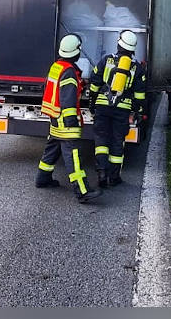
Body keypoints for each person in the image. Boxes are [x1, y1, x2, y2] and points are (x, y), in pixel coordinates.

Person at [37, 33, 101, 203]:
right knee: (73, 155)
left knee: (52, 148)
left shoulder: (57, 66)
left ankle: (43, 178)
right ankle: (82, 191)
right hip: (66, 120)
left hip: (54, 116)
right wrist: (71, 120)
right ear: (76, 51)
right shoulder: (69, 72)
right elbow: (68, 98)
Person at [87, 30, 146, 188]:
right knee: (117, 141)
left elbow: (94, 83)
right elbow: (140, 95)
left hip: (102, 106)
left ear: (119, 44)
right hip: (122, 109)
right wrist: (137, 111)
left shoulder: (107, 60)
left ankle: (101, 172)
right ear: (133, 49)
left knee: (101, 139)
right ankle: (114, 177)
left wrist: (92, 102)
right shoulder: (137, 68)